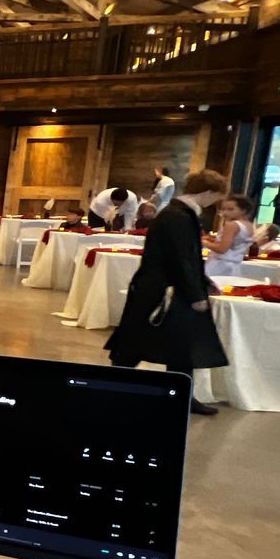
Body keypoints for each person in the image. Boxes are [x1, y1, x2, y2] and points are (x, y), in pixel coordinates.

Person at [105, 168, 230, 415]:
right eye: (215, 197)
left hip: (164, 286)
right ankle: (113, 386)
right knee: (139, 340)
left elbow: (186, 257)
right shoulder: (179, 216)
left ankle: (182, 395)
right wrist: (196, 294)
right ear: (206, 192)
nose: (215, 203)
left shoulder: (177, 213)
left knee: (179, 344)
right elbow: (180, 258)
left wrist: (202, 281)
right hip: (163, 289)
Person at [203, 193, 255, 279]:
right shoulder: (249, 225)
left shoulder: (232, 225)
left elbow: (222, 249)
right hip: (235, 264)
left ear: (243, 210)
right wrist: (213, 239)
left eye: (231, 209)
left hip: (219, 265)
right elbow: (235, 243)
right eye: (223, 209)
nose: (225, 212)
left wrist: (203, 242)